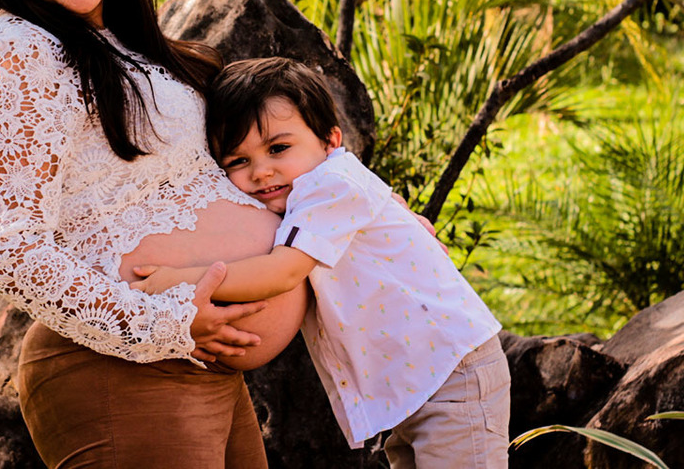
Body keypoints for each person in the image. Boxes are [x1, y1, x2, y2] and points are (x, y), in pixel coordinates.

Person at [0, 0, 309, 468]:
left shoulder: (115, 41)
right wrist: (162, 324)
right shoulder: (14, 53)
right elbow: (5, 249)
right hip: (127, 369)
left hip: (190, 368)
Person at [132, 57, 511, 469]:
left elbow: (283, 271)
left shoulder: (328, 186)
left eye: (278, 148)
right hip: (418, 382)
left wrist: (183, 279)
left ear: (331, 141)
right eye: (238, 161)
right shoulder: (310, 193)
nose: (261, 171)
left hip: (451, 376)